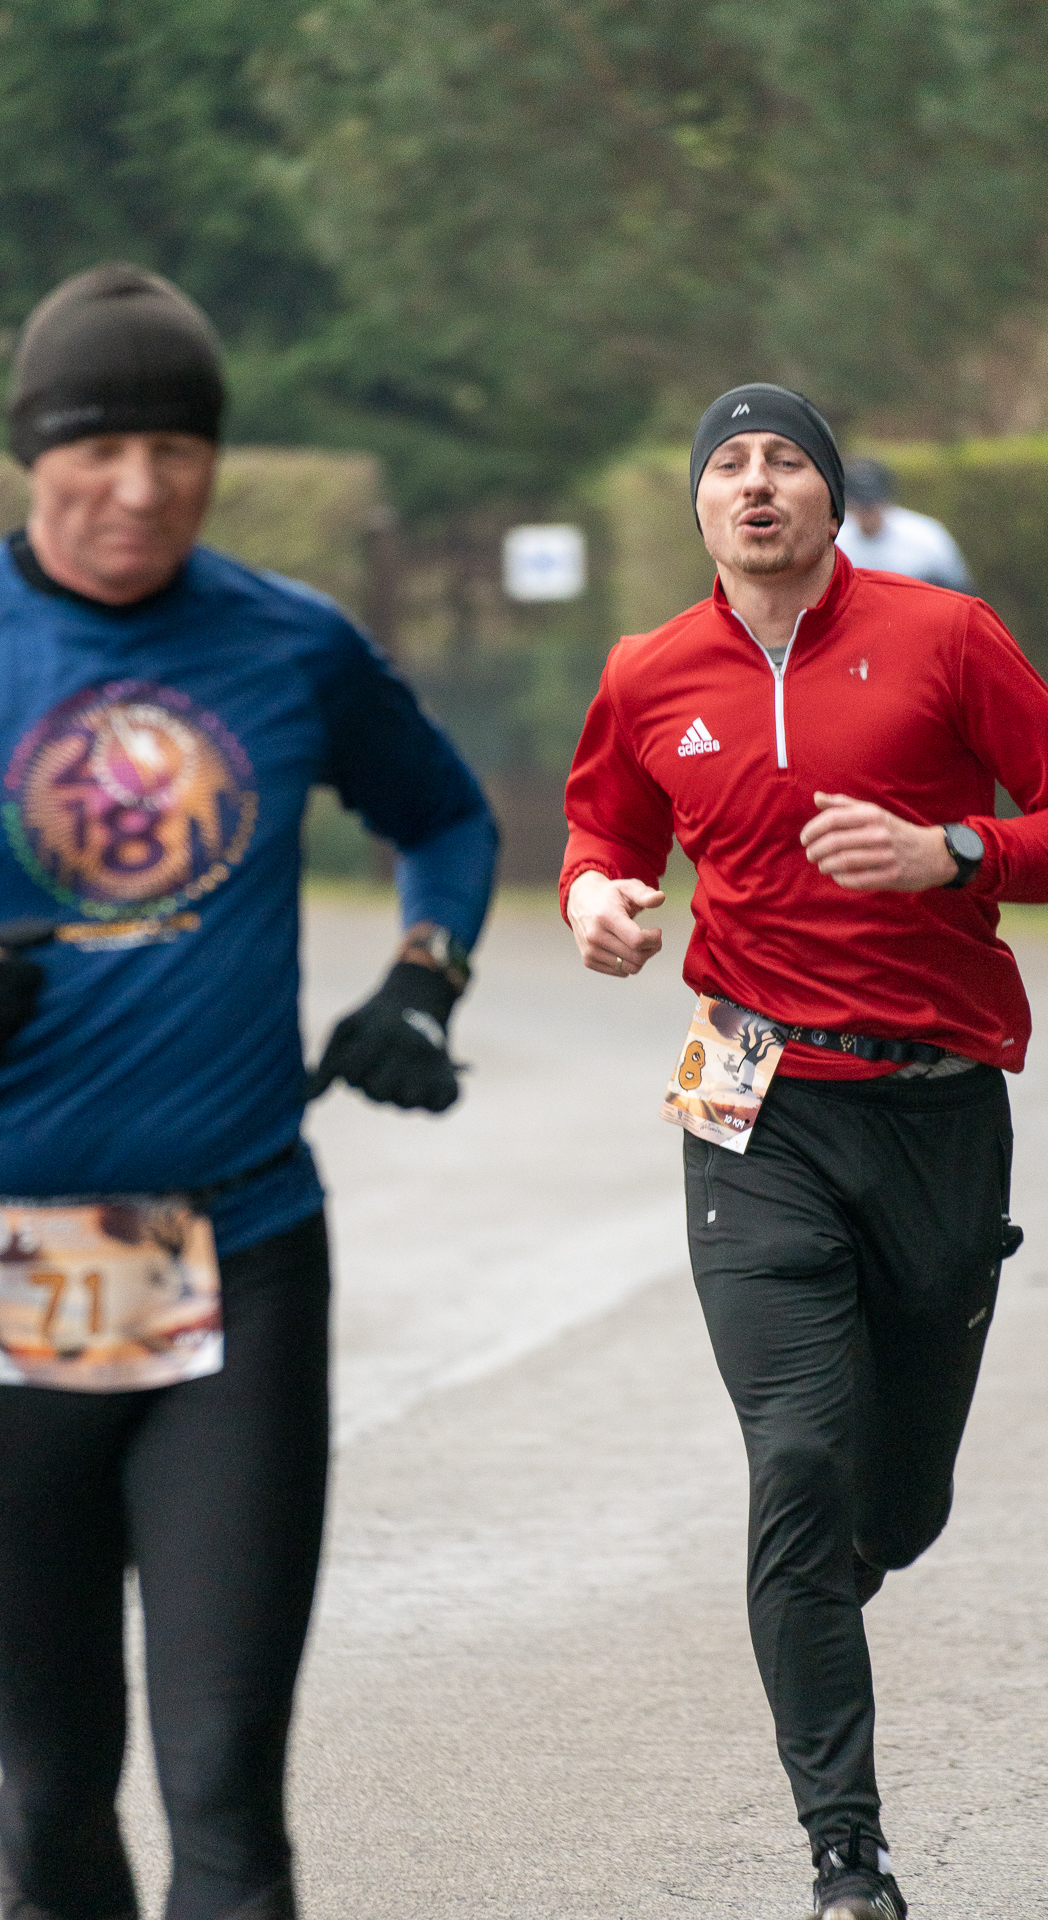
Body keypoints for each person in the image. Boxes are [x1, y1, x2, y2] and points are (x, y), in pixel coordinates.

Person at [0, 262, 497, 1920]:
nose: (142, 486)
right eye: (99, 448)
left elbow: (446, 816)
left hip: (241, 1263)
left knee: (226, 1782)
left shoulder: (291, 643)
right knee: (55, 1784)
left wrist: (425, 973)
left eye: (179, 448)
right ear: (32, 451)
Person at [560, 382, 1048, 1920]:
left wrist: (955, 852)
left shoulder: (947, 640)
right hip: (745, 1081)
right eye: (730, 464)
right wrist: (594, 900)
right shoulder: (648, 671)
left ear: (836, 500)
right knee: (796, 1457)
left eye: (787, 461)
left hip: (938, 1094)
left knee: (892, 1509)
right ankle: (849, 1857)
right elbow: (604, 833)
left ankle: (850, 1562)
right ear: (700, 505)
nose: (758, 482)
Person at [836, 455, 973, 589]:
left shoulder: (926, 535)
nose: (868, 512)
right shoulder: (837, 540)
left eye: (873, 504)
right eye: (862, 505)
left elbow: (958, 587)